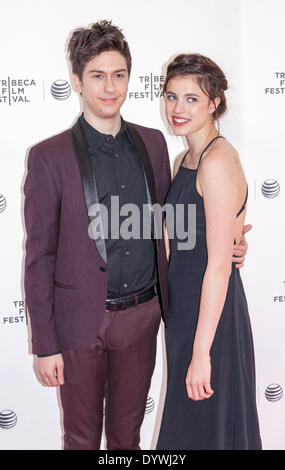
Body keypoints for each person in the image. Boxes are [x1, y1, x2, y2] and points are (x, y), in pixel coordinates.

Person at [23, 21, 249, 450]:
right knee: (81, 439)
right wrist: (45, 344)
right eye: (97, 75)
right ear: (77, 80)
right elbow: (39, 257)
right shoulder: (48, 157)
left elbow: (184, 217)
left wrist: (235, 236)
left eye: (119, 74)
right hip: (79, 326)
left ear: (129, 77)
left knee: (128, 439)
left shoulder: (154, 144)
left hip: (143, 319)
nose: (110, 87)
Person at [156, 54, 262, 450]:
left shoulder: (217, 160)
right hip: (186, 312)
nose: (177, 109)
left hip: (211, 320)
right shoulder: (184, 158)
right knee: (190, 428)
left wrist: (202, 353)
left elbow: (218, 267)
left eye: (191, 99)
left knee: (206, 426)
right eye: (171, 97)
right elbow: (186, 237)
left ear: (214, 102)